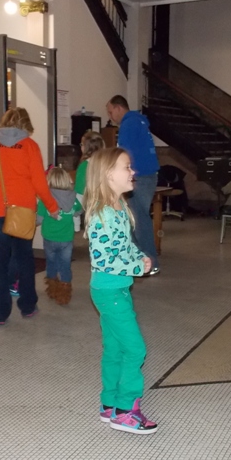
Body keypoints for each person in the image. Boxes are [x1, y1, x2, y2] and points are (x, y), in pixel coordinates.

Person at [84, 147, 157, 434]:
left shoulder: (119, 208)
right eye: (126, 167)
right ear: (108, 175)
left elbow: (123, 247)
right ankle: (126, 410)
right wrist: (137, 267)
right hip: (109, 291)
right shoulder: (103, 215)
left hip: (115, 289)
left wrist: (140, 257)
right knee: (135, 349)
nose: (133, 172)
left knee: (115, 347)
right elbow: (104, 260)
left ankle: (110, 403)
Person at [0, 107, 59, 324]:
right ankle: (27, 306)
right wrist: (52, 206)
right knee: (24, 258)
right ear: (26, 124)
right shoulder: (29, 146)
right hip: (22, 210)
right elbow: (39, 183)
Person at [105, 96, 160, 275]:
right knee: (136, 219)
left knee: (138, 221)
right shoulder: (139, 121)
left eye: (111, 111)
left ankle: (149, 263)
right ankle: (139, 261)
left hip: (139, 177)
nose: (110, 116)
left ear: (119, 108)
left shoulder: (128, 124)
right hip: (148, 175)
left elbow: (123, 155)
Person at [38, 167, 82, 305]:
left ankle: (52, 289)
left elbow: (38, 220)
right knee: (65, 265)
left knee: (51, 263)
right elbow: (79, 211)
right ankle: (64, 294)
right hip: (66, 239)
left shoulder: (45, 200)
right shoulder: (73, 198)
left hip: (49, 238)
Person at [74, 130, 105, 203]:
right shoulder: (107, 163)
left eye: (82, 144)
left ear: (86, 147)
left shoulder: (84, 165)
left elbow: (79, 190)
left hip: (88, 203)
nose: (81, 147)